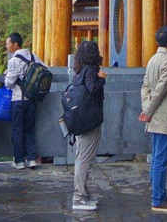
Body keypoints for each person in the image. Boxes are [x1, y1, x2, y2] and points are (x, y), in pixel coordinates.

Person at [139, 26, 167, 214]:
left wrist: (147, 108)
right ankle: (158, 199)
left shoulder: (152, 60)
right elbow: (161, 90)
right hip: (164, 113)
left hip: (155, 113)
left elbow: (146, 87)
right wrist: (148, 110)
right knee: (161, 159)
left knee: (158, 156)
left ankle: (161, 194)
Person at [71, 40, 106, 211]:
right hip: (89, 120)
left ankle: (83, 193)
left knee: (82, 156)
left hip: (81, 119)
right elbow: (93, 89)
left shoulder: (78, 70)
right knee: (84, 158)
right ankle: (79, 197)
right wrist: (102, 80)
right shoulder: (91, 70)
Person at [3, 32, 41, 169]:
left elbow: (9, 84)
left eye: (8, 44)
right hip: (32, 100)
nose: (7, 47)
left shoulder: (13, 61)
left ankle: (19, 161)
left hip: (18, 100)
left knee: (17, 130)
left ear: (15, 44)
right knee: (29, 129)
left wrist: (7, 74)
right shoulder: (33, 57)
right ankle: (32, 159)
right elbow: (44, 71)